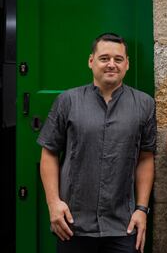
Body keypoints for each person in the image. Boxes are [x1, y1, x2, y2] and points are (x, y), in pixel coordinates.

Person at [38, 33, 156, 253]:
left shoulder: (144, 104)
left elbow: (146, 158)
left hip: (123, 226)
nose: (111, 64)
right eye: (104, 58)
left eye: (118, 59)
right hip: (72, 223)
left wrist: (142, 209)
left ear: (127, 64)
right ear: (91, 61)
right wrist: (53, 203)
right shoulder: (68, 101)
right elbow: (49, 153)